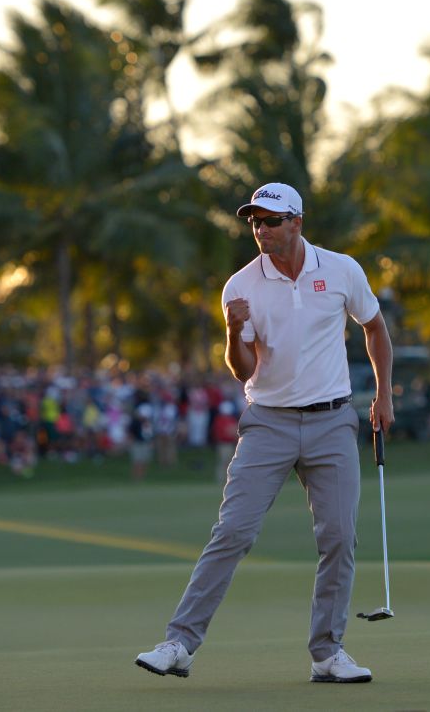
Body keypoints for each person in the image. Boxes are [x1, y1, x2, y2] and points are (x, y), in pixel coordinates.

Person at [136, 182, 394, 683]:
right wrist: (233, 332)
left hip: (333, 419)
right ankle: (180, 644)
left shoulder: (342, 269)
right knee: (232, 532)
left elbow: (375, 326)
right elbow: (243, 369)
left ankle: (327, 653)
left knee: (339, 536)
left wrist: (384, 394)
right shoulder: (239, 286)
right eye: (254, 221)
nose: (261, 229)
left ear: (297, 222)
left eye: (271, 220)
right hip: (268, 423)